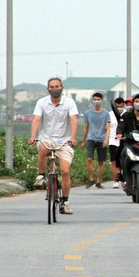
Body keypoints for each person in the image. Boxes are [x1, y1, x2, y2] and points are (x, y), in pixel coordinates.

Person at [28, 77, 78, 215]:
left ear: (62, 87)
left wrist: (73, 138)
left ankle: (66, 201)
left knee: (66, 171)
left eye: (57, 86)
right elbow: (36, 119)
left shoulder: (69, 102)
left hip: (64, 141)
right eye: (52, 86)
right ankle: (41, 176)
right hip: (47, 138)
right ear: (48, 88)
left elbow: (74, 120)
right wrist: (33, 136)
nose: (55, 89)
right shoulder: (41, 103)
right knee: (43, 148)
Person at [81, 92, 111, 189]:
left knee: (101, 162)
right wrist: (83, 141)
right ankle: (90, 179)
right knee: (89, 159)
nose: (96, 101)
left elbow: (108, 127)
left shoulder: (106, 114)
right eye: (95, 99)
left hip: (101, 139)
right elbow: (86, 127)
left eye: (98, 99)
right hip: (91, 138)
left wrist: (107, 139)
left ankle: (98, 181)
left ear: (101, 101)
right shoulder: (88, 113)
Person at [108, 97, 125, 188]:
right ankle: (116, 180)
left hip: (123, 141)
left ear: (123, 105)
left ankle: (124, 178)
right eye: (117, 106)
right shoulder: (110, 114)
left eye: (121, 106)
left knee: (123, 161)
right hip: (113, 140)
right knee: (114, 161)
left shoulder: (127, 114)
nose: (119, 108)